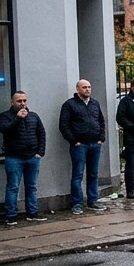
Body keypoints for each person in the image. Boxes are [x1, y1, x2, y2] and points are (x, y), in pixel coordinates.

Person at [0, 91, 46, 225]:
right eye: (19, 101)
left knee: (32, 186)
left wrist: (40, 152)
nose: (22, 104)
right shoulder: (5, 116)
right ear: (12, 102)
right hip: (14, 157)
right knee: (13, 187)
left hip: (32, 157)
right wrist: (18, 118)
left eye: (24, 100)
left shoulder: (33, 116)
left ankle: (32, 213)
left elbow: (41, 134)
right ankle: (11, 216)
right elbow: (4, 129)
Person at [58, 78, 106, 214]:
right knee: (78, 174)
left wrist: (101, 138)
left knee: (93, 174)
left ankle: (93, 200)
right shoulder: (70, 105)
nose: (88, 89)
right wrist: (74, 141)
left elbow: (101, 121)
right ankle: (77, 203)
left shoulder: (94, 103)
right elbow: (64, 125)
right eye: (84, 87)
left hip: (95, 144)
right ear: (77, 89)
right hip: (80, 145)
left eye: (89, 87)